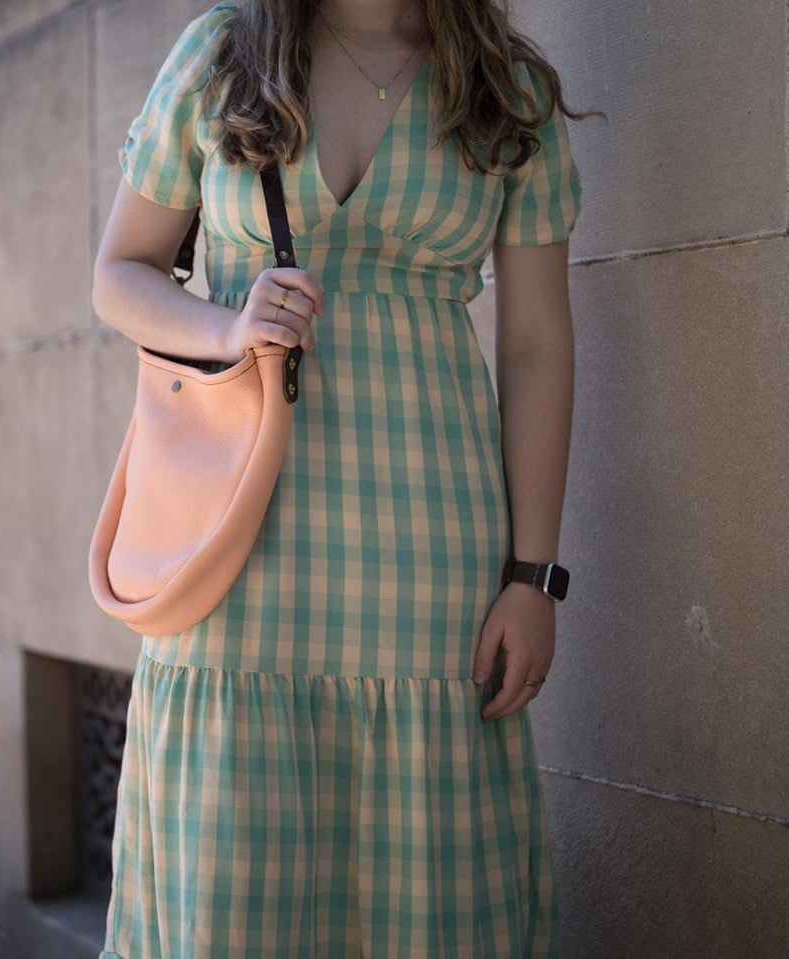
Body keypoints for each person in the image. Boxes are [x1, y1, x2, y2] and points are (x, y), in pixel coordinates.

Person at [91, 0, 586, 954]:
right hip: (236, 546)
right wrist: (226, 329)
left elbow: (535, 347)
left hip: (429, 557)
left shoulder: (502, 84)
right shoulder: (223, 54)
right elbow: (120, 274)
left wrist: (533, 579)